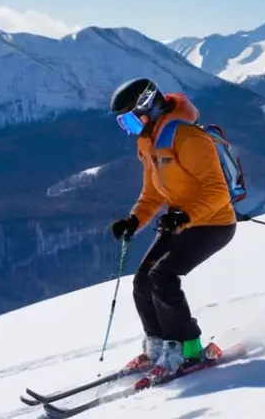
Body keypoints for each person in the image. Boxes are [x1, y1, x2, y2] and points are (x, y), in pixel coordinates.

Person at [107, 77, 238, 381]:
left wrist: (184, 216)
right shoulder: (148, 142)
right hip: (181, 222)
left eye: (129, 120)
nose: (128, 129)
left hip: (213, 223)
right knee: (142, 281)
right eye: (122, 124)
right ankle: (157, 347)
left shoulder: (188, 138)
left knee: (162, 276)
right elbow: (153, 194)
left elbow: (218, 191)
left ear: (148, 107)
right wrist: (134, 220)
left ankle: (189, 350)